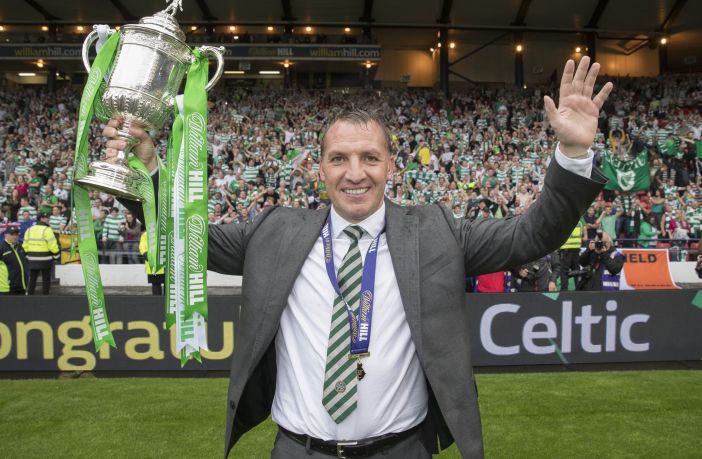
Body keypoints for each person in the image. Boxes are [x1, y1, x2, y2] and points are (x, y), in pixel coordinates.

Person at [111, 57, 612, 458]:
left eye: (370, 158)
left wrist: (572, 154)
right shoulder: (275, 232)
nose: (355, 173)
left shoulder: (437, 232)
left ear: (391, 165)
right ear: (320, 169)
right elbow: (185, 238)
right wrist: (147, 170)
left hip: (403, 449)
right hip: (298, 450)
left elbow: (533, 235)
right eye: (339, 159)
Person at [22, 212, 60, 295]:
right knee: (46, 279)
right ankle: (45, 297)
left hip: (32, 259)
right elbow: (52, 245)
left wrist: (27, 256)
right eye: (46, 218)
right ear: (41, 219)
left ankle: (30, 295)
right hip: (45, 259)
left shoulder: (29, 229)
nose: (48, 219)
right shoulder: (47, 230)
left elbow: (25, 245)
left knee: (32, 279)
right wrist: (57, 255)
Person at [0, 227, 29, 295]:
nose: (15, 237)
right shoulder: (1, 248)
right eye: (12, 234)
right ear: (5, 235)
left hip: (22, 286)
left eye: (16, 234)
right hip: (7, 288)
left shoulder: (20, 247)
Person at [139, 231, 164, 295]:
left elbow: (143, 248)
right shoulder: (146, 234)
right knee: (156, 285)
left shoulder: (146, 233)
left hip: (158, 265)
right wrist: (147, 256)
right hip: (154, 265)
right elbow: (143, 248)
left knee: (166, 287)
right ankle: (157, 300)